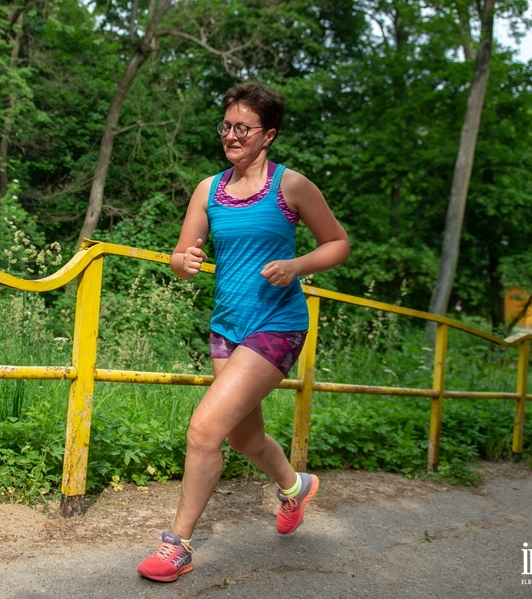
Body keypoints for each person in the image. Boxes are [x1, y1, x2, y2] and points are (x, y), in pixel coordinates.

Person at [136, 82, 350, 582]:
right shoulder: (207, 189)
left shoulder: (290, 186)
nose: (231, 135)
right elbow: (180, 254)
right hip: (227, 328)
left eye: (242, 128)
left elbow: (338, 243)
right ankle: (296, 487)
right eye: (226, 126)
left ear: (267, 135)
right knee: (243, 437)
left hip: (277, 325)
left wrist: (297, 265)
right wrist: (182, 261)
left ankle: (178, 546)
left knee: (205, 429)